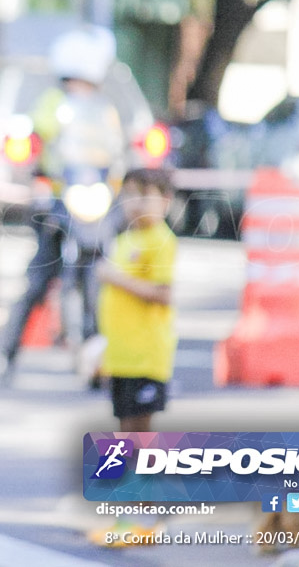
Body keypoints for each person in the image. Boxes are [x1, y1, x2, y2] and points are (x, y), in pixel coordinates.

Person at [0, 27, 122, 385]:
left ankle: (99, 360)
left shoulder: (103, 109)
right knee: (38, 279)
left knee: (99, 277)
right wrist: (32, 167)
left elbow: (116, 147)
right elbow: (33, 137)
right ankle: (6, 354)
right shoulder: (52, 102)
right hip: (56, 201)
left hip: (91, 198)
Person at [95, 167, 177, 433]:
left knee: (139, 425)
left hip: (145, 357)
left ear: (165, 201)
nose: (133, 204)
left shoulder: (161, 240)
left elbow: (163, 294)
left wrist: (116, 279)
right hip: (121, 355)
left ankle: (141, 475)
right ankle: (123, 474)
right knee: (123, 423)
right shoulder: (125, 239)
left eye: (143, 197)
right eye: (128, 196)